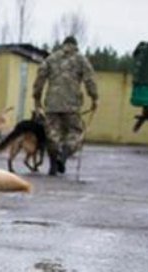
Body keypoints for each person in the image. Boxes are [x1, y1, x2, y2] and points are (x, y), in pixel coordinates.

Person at [33, 36, 99, 176]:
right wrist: (94, 98)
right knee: (75, 133)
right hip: (72, 106)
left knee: (52, 135)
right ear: (75, 45)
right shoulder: (81, 59)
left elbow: (40, 79)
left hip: (52, 104)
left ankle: (53, 167)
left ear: (63, 44)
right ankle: (63, 156)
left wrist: (37, 99)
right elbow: (90, 80)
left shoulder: (51, 59)